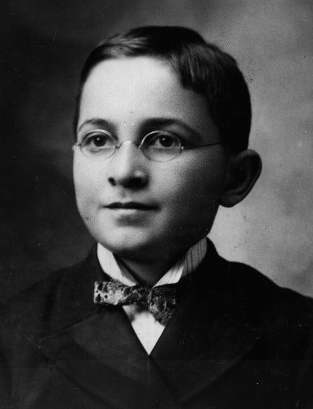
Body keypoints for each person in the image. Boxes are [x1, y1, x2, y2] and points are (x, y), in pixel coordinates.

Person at [0, 25, 312, 409]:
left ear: (236, 178)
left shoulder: (298, 335)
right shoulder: (13, 334)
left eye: (165, 140)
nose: (125, 170)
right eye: (98, 140)